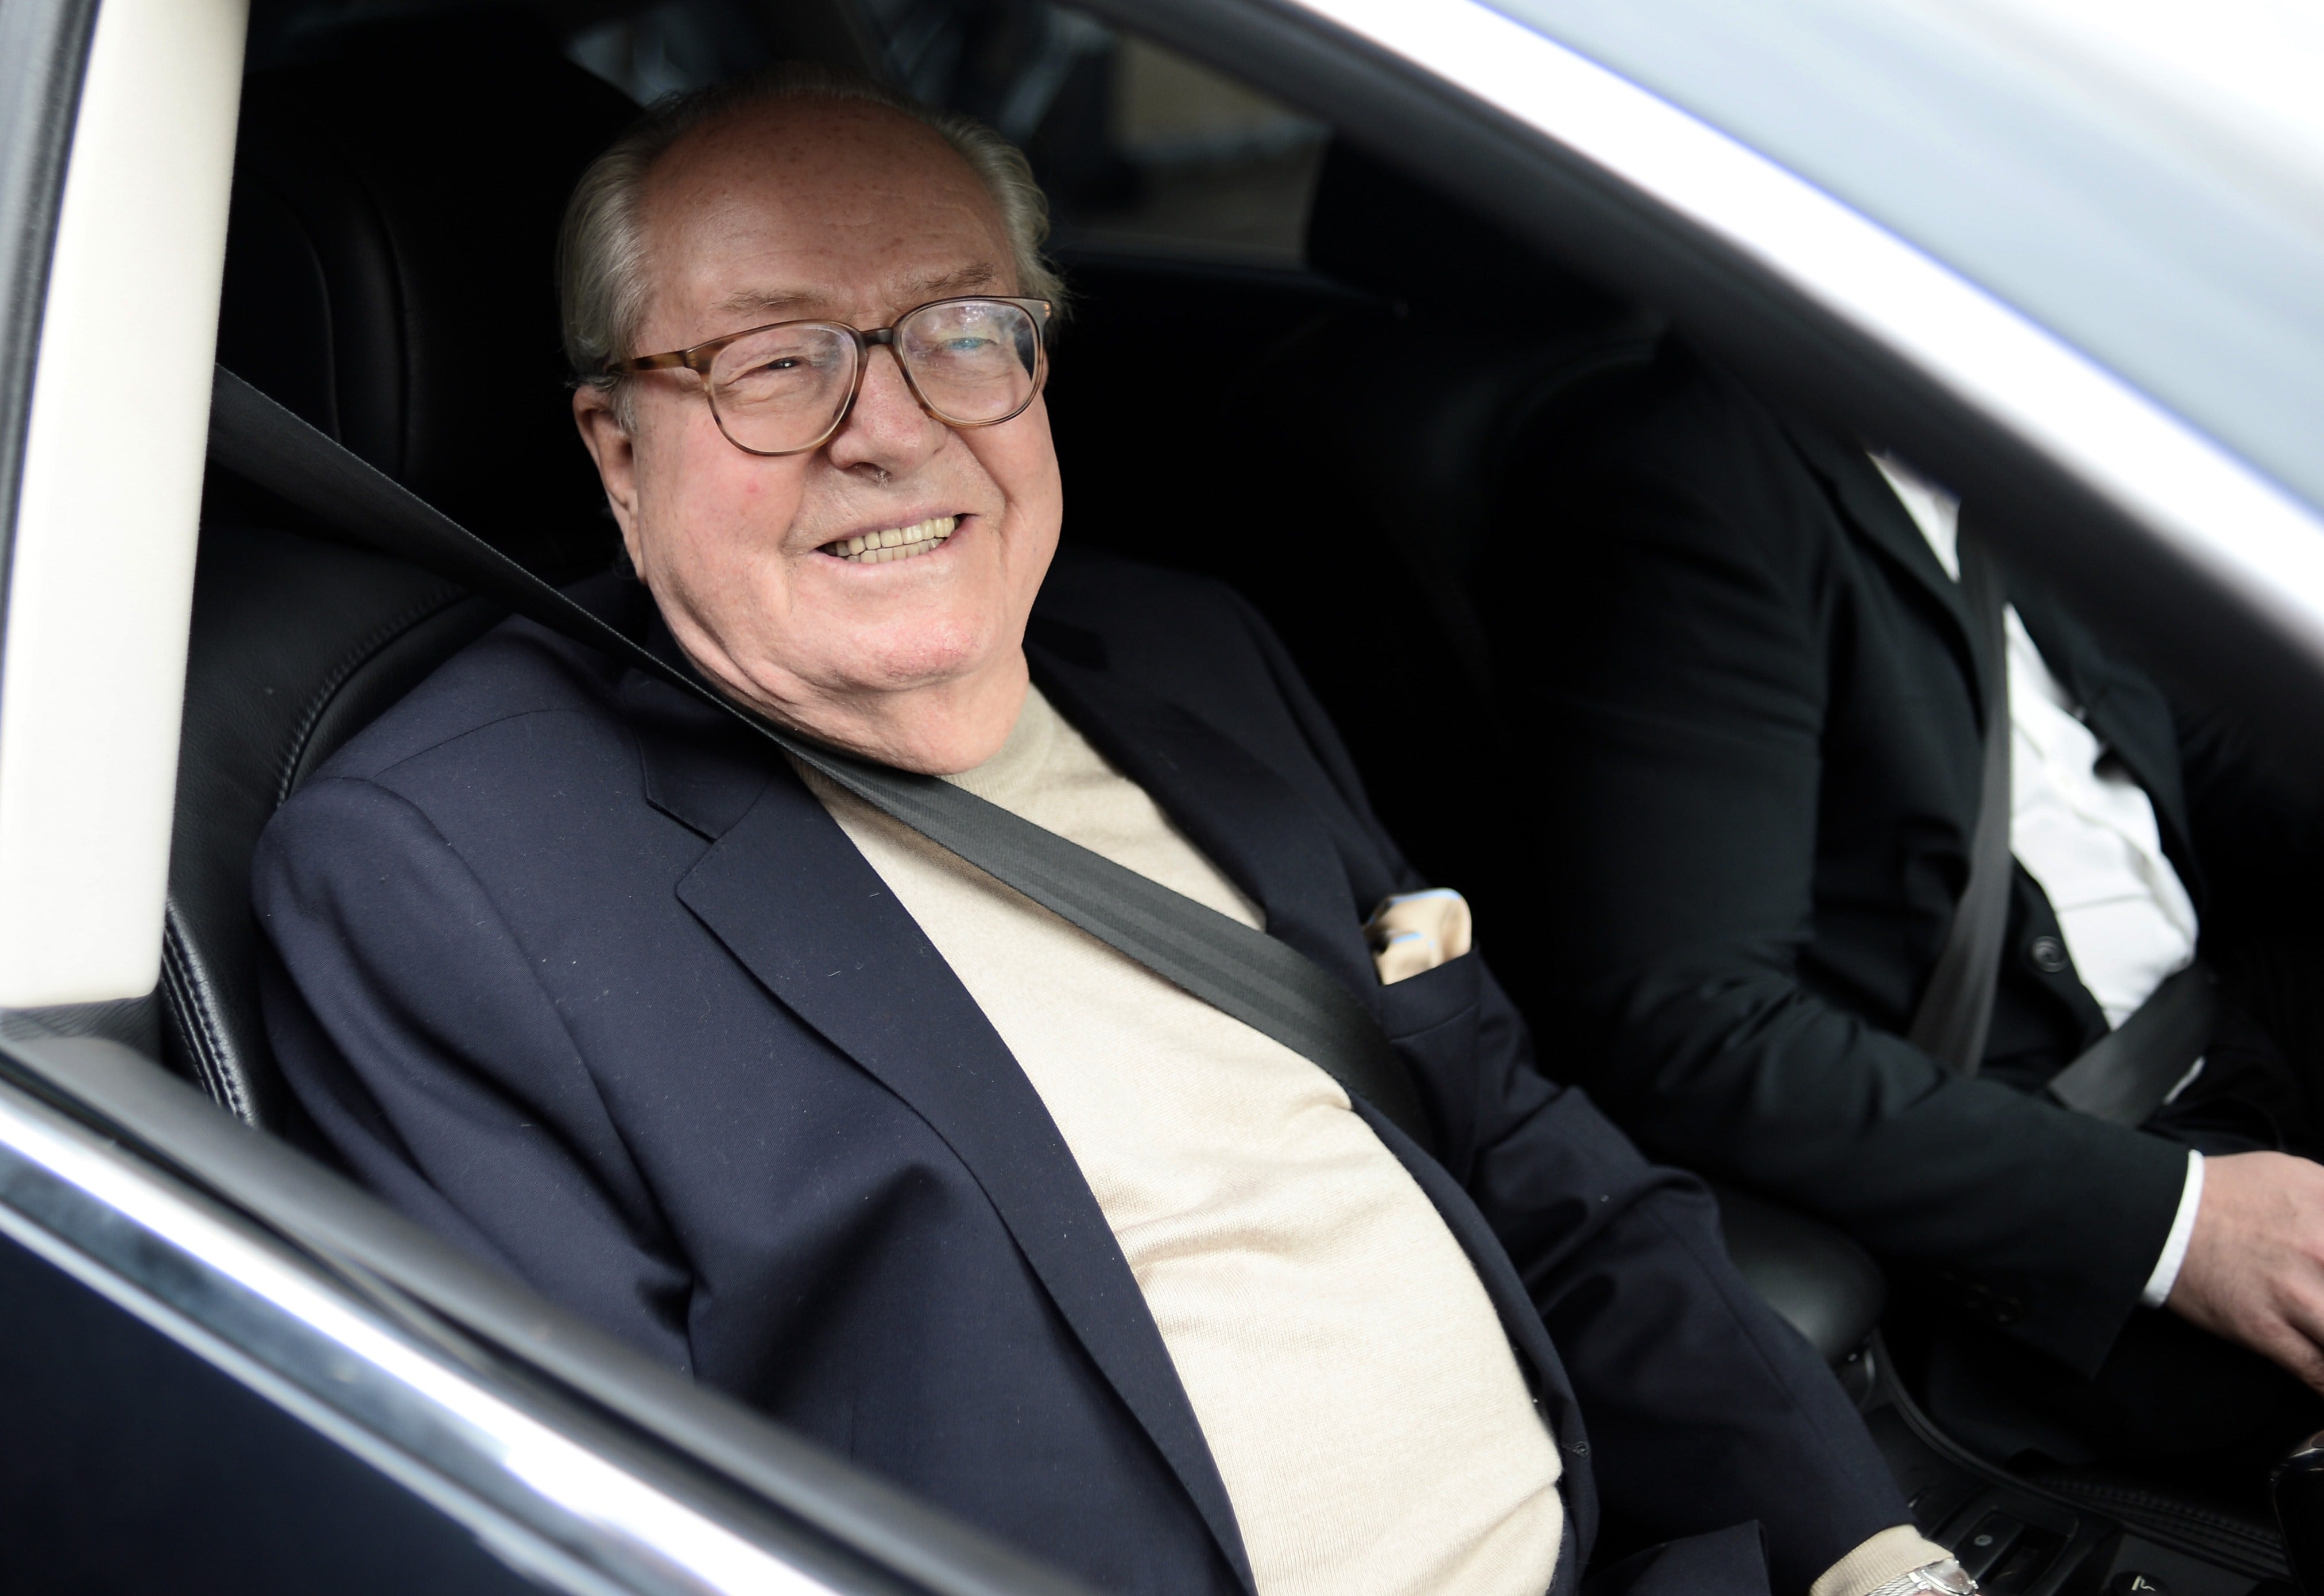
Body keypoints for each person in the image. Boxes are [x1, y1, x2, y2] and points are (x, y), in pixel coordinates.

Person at [255, 69, 1954, 1596]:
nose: (891, 427)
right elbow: (612, 1538)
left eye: (959, 332)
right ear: (617, 452)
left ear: (1037, 370)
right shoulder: (444, 874)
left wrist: (1864, 1549)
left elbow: (1537, 1164)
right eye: (775, 361)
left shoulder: (1190, 649)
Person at [1493, 339, 2324, 1470]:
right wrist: (2182, 1223)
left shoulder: (1978, 436)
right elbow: (1685, 1020)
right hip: (2050, 1178)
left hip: (2215, 1021)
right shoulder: (1688, 480)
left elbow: (2173, 739)